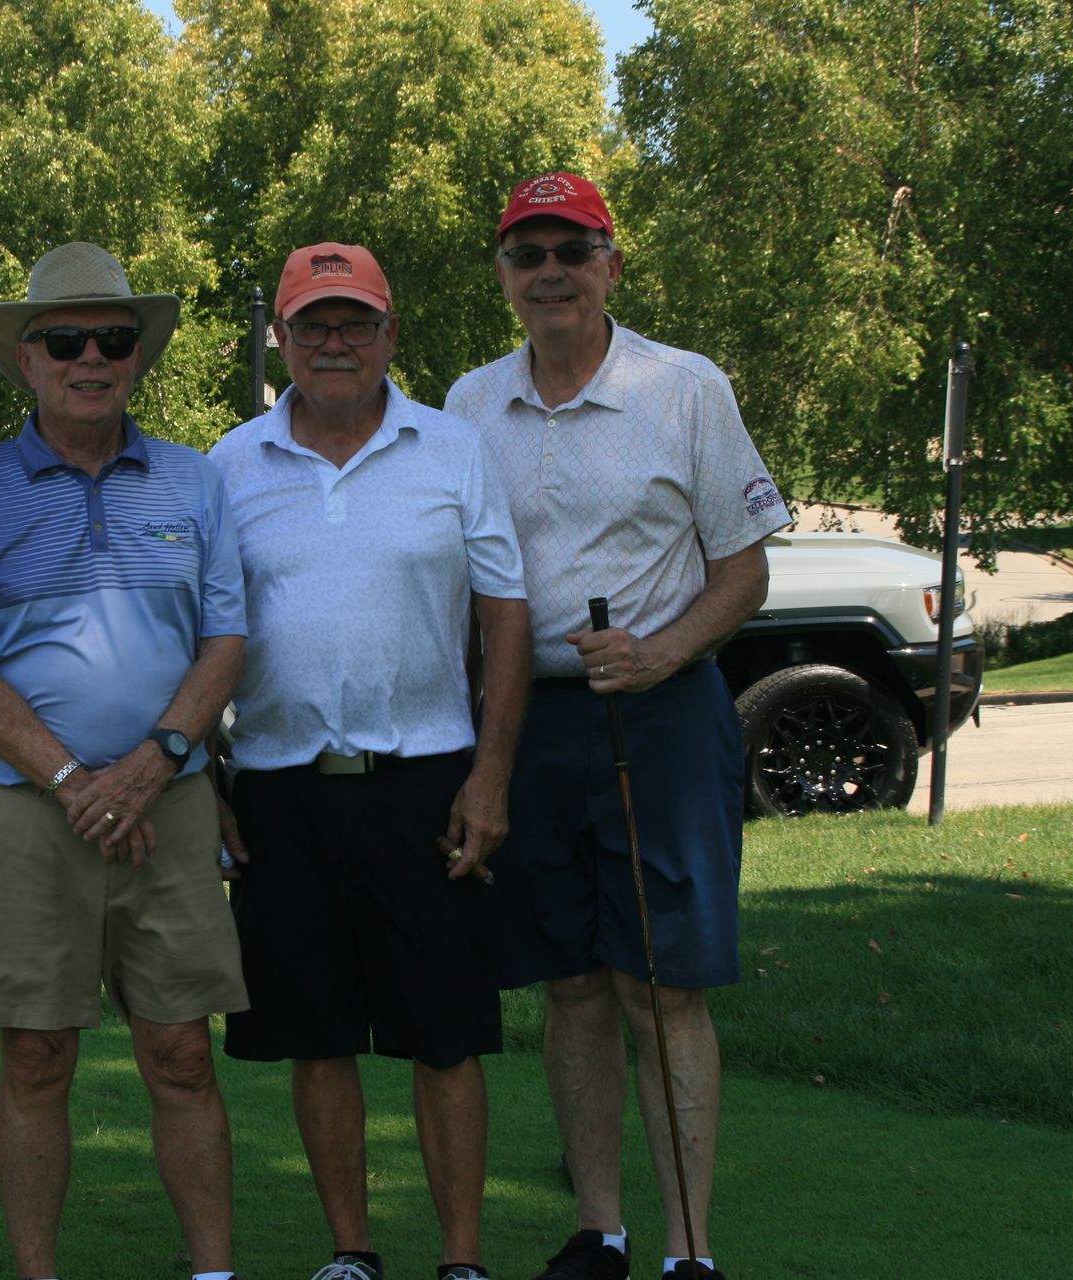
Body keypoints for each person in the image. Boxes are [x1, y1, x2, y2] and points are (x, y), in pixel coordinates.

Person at [445, 174, 790, 1280]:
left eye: (572, 249)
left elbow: (746, 569)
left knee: (662, 983)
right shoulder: (468, 402)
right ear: (504, 274)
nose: (550, 270)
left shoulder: (684, 387)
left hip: (663, 710)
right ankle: (602, 1229)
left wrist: (664, 650)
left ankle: (689, 1249)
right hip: (530, 715)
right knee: (574, 980)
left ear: (612, 264)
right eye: (527, 252)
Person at [0, 241, 249, 1280]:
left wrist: (149, 764)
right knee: (35, 1055)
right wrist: (73, 780)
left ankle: (213, 1270)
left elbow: (226, 644)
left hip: (174, 800)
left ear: (137, 355)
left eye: (114, 337)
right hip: (30, 811)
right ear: (28, 358)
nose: (91, 356)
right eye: (67, 339)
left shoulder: (197, 481)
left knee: (182, 1052)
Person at [210, 242, 532, 1280]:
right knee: (317, 1032)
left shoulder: (452, 448)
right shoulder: (231, 461)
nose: (334, 342)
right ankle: (351, 1248)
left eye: (354, 323)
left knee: (444, 1034)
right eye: (313, 324)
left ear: (391, 334)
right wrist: (211, 781)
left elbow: (506, 613)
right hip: (280, 786)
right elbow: (206, 630)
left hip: (427, 781)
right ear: (284, 338)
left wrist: (490, 774)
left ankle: (463, 1258)